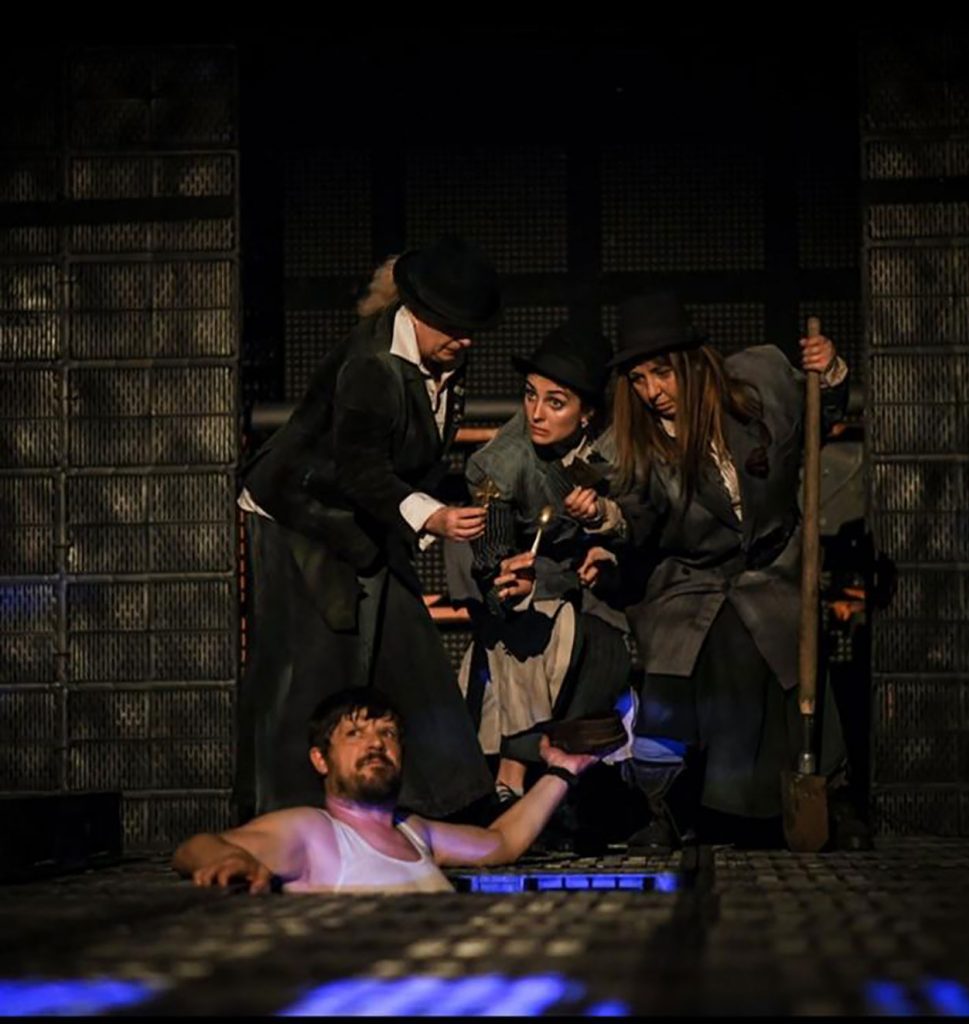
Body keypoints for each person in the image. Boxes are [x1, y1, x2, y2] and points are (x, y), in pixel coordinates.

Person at [235, 237, 499, 823]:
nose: (465, 341)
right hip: (302, 514)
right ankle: (290, 816)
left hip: (363, 516)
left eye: (471, 330)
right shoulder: (371, 367)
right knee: (313, 661)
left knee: (405, 641)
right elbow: (359, 470)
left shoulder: (443, 356)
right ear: (420, 313)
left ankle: (448, 802)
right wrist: (431, 516)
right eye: (454, 327)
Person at [575, 289, 852, 848]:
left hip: (774, 567)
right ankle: (674, 807)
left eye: (662, 373)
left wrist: (830, 372)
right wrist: (606, 519)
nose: (652, 392)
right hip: (691, 579)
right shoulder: (631, 444)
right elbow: (635, 511)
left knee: (789, 656)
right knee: (690, 657)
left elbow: (821, 411)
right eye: (638, 380)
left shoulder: (762, 379)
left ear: (692, 362)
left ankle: (829, 800)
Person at [447, 323, 630, 811]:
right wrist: (510, 581)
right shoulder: (501, 464)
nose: (536, 413)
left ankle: (576, 783)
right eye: (530, 395)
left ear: (588, 413)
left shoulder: (621, 445)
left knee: (603, 643)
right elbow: (491, 558)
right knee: (530, 632)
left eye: (555, 402)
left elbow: (644, 516)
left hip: (599, 582)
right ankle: (513, 777)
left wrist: (607, 542)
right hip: (522, 586)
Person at [173, 688, 596, 893]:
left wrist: (563, 771)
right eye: (355, 734)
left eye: (387, 733)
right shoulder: (314, 833)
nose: (375, 744)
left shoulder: (415, 831)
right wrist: (229, 860)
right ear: (320, 759)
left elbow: (502, 842)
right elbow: (195, 847)